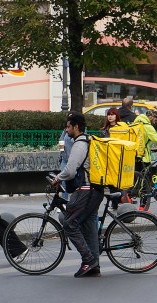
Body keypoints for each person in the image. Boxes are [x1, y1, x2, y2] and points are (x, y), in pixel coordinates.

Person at [50, 112, 103, 278]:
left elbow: (71, 169)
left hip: (85, 189)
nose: (66, 130)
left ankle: (88, 259)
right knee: (89, 226)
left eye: (68, 126)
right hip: (93, 189)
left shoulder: (80, 144)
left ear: (76, 127)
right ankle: (94, 267)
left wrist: (58, 178)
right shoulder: (86, 139)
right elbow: (62, 149)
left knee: (69, 223)